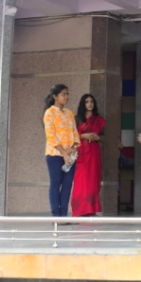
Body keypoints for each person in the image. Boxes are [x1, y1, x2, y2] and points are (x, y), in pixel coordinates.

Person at [41, 84, 78, 221]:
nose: (66, 97)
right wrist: (64, 153)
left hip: (70, 155)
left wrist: (73, 148)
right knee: (56, 184)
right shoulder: (49, 113)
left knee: (67, 185)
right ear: (55, 96)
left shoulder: (69, 113)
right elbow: (51, 136)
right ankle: (56, 216)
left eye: (67, 94)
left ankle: (64, 215)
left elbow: (75, 133)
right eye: (63, 94)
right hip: (55, 154)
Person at [69, 94, 106, 217]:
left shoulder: (99, 120)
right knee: (81, 181)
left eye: (91, 101)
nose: (90, 104)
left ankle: (91, 210)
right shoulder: (77, 119)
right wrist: (83, 136)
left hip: (94, 153)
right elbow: (71, 137)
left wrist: (97, 138)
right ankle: (80, 210)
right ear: (83, 104)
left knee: (93, 180)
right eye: (87, 102)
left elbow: (104, 137)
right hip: (80, 154)